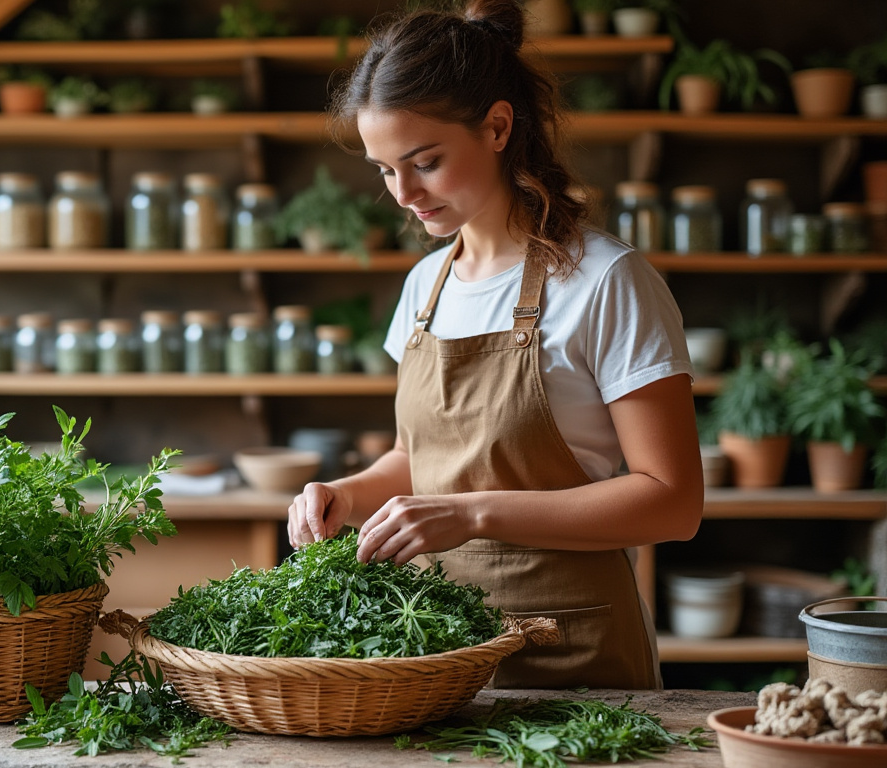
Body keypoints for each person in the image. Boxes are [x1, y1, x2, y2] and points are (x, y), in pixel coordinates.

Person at [285, 0, 703, 690]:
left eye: (425, 162)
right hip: (434, 652)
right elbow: (416, 459)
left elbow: (672, 502)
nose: (404, 193)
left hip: (574, 658)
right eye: (385, 169)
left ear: (498, 127)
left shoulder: (605, 281)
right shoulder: (424, 286)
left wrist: (473, 513)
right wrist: (344, 496)